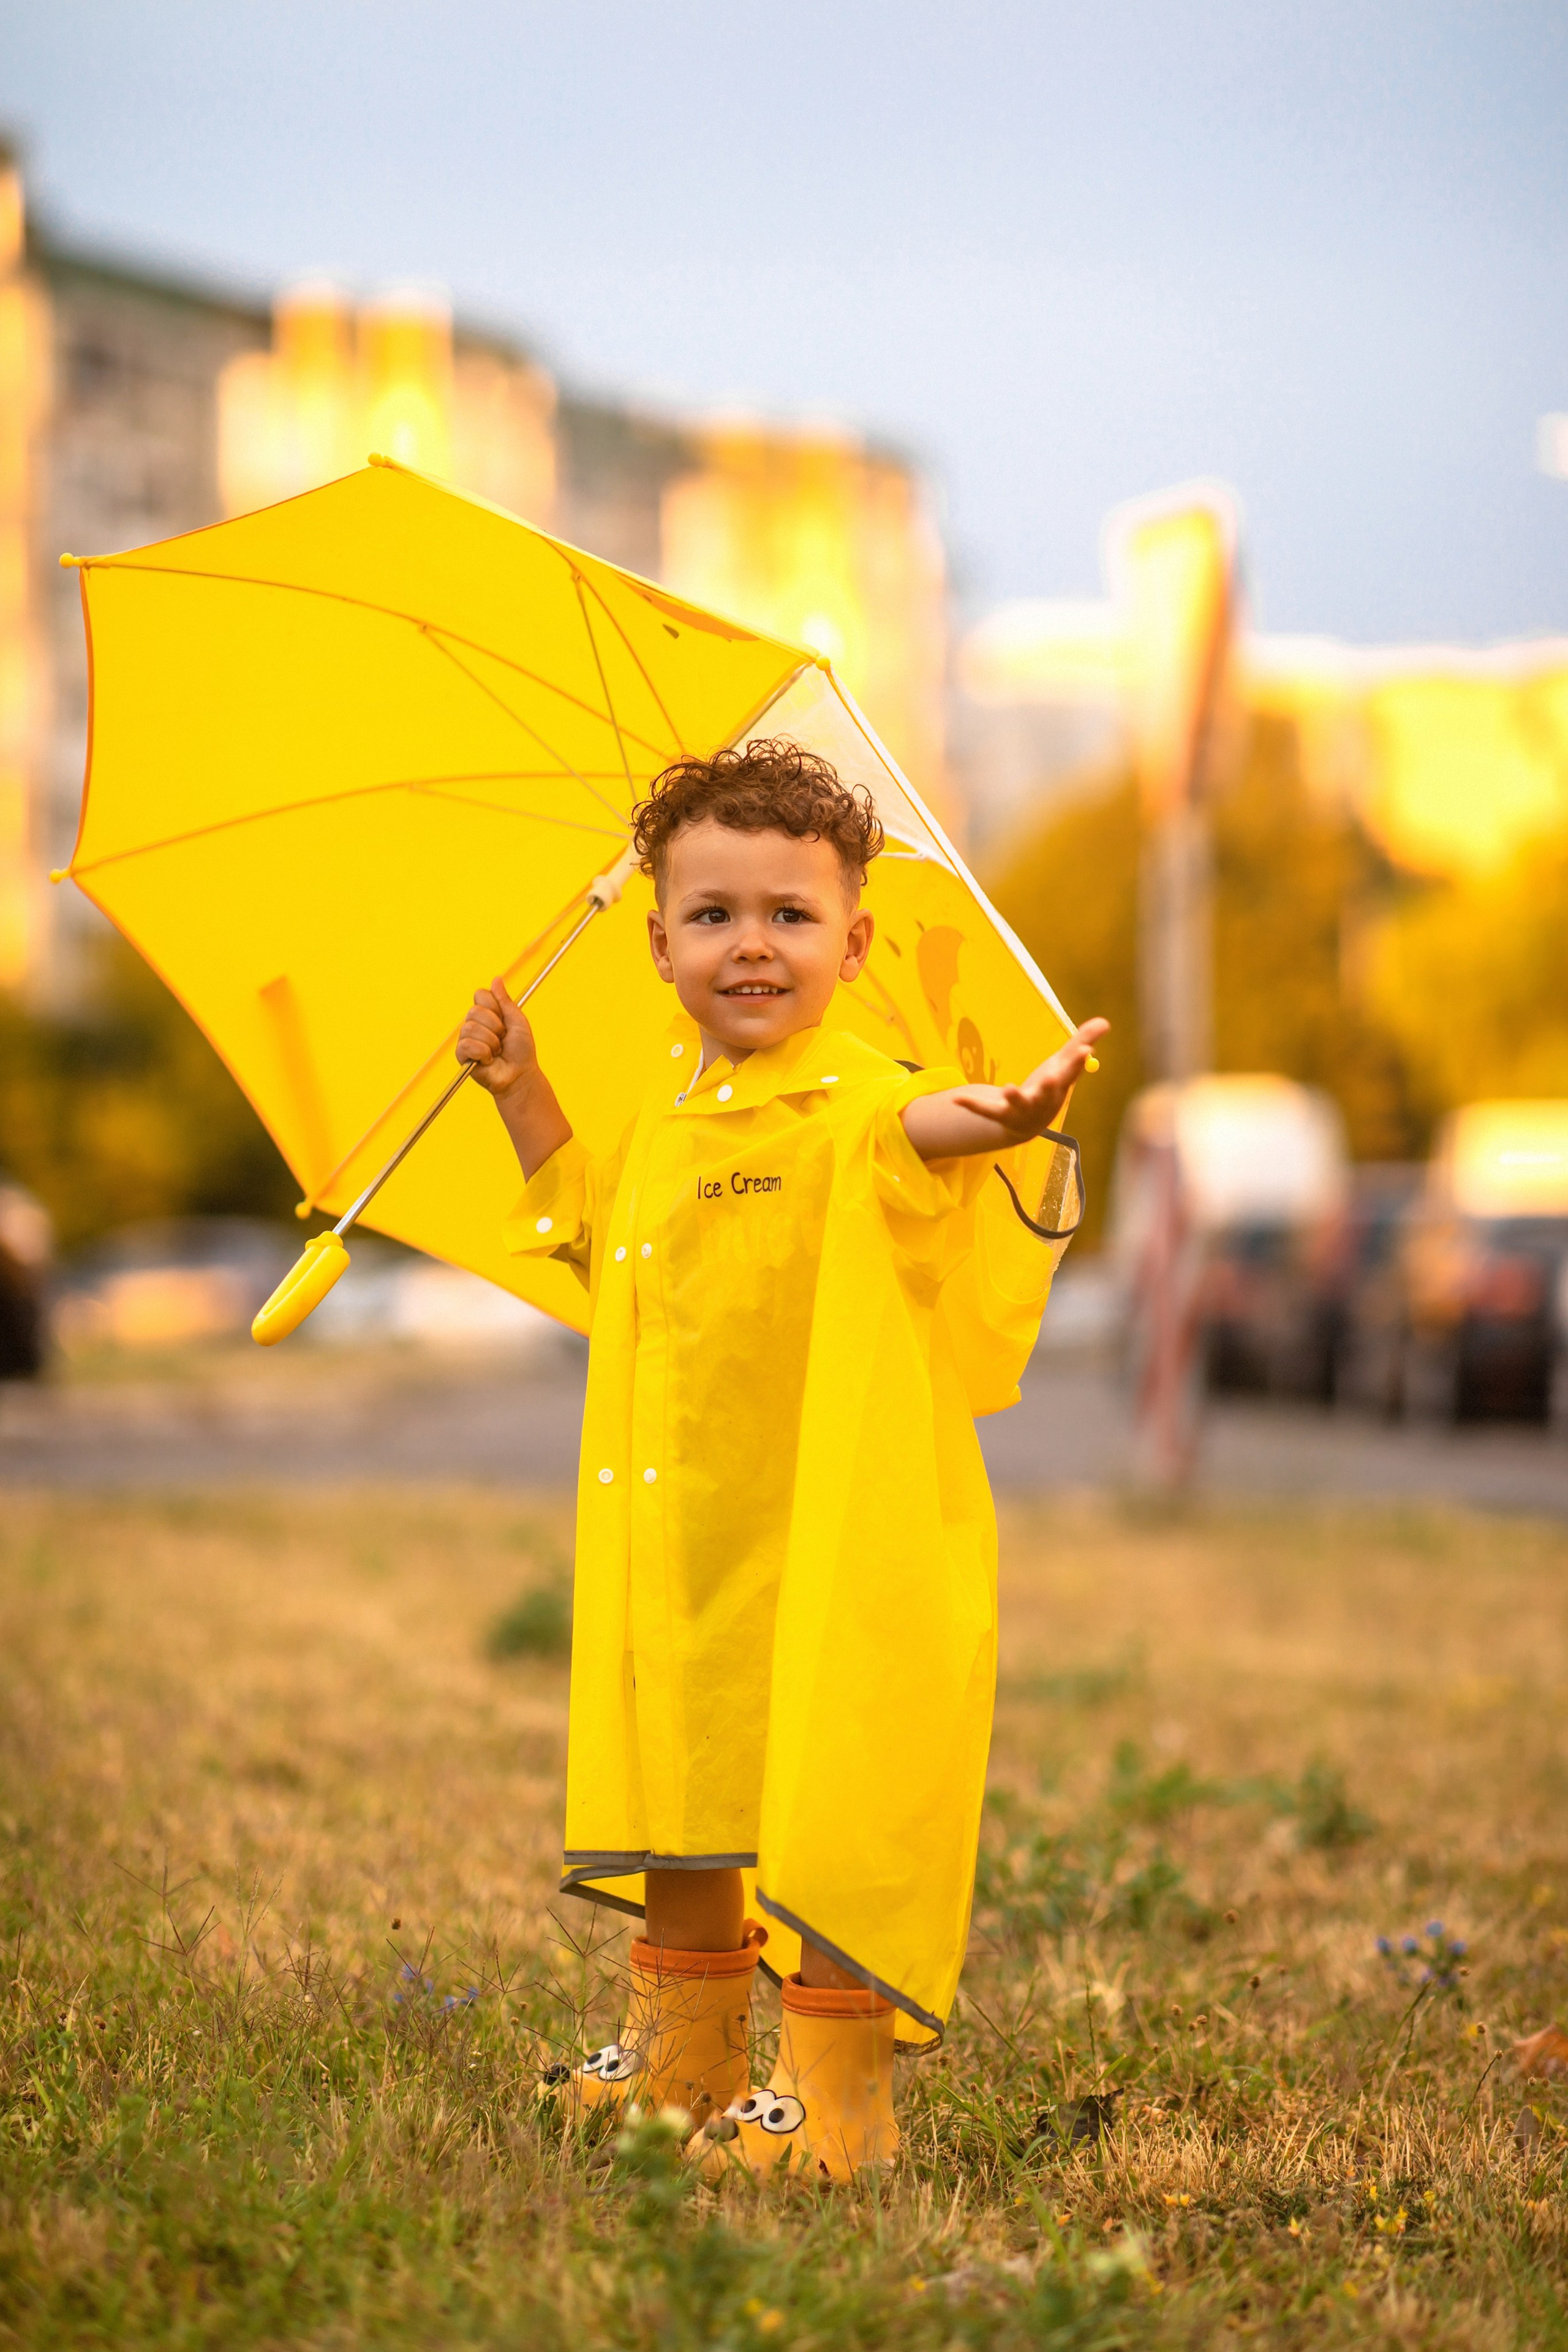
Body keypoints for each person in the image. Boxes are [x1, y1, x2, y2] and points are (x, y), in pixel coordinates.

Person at [456, 738, 1107, 2181]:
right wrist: (520, 1088)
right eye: (714, 915)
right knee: (686, 1797)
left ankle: (833, 2102)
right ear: (658, 942)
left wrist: (1011, 1112)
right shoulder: (670, 1118)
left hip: (825, 1535)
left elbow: (925, 1131)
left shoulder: (858, 1102)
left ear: (852, 940)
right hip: (686, 1538)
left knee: (828, 1795)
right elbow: (591, 1231)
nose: (752, 944)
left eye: (790, 916)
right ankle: (685, 2063)